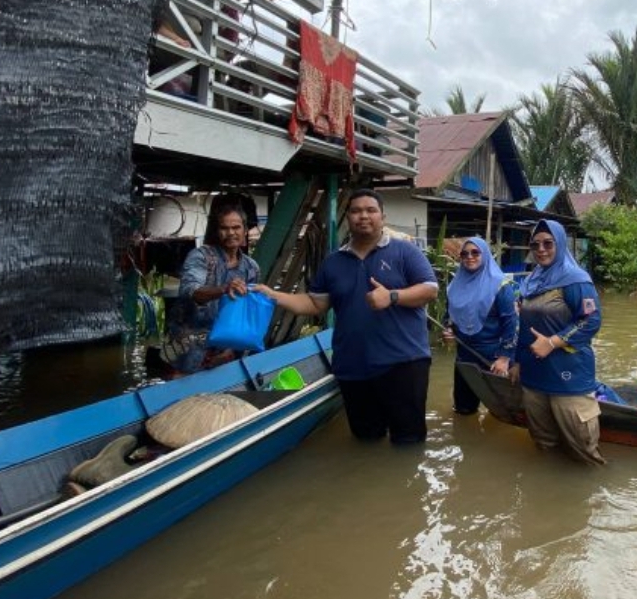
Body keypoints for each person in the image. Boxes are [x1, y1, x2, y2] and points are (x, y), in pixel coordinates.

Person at [254, 189, 438, 444]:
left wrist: (392, 296)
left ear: (382, 217)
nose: (363, 216)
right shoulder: (334, 262)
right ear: (348, 217)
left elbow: (430, 290)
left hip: (403, 363)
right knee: (365, 439)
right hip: (353, 366)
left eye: (370, 210)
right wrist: (273, 295)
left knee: (408, 440)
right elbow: (314, 303)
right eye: (356, 211)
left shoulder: (405, 252)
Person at [512, 220, 605, 465]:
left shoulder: (576, 280)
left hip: (569, 378)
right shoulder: (531, 281)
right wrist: (517, 362)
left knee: (584, 451)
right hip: (534, 378)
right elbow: (523, 329)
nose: (541, 249)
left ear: (560, 244)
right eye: (535, 244)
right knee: (544, 447)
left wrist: (554, 342)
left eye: (548, 243)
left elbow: (591, 320)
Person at [169, 204, 261, 374]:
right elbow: (190, 291)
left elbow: (247, 313)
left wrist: (232, 350)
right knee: (183, 396)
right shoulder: (201, 257)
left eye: (236, 227)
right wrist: (224, 289)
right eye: (224, 228)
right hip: (189, 347)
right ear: (217, 231)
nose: (231, 233)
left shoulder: (251, 268)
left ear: (245, 230)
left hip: (225, 350)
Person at [443, 237, 519, 415]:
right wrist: (448, 329)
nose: (470, 257)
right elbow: (450, 316)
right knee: (463, 410)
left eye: (475, 252)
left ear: (484, 255)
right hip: (465, 358)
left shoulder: (501, 285)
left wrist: (504, 358)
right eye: (465, 254)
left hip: (494, 359)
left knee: (501, 412)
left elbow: (512, 323)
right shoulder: (454, 286)